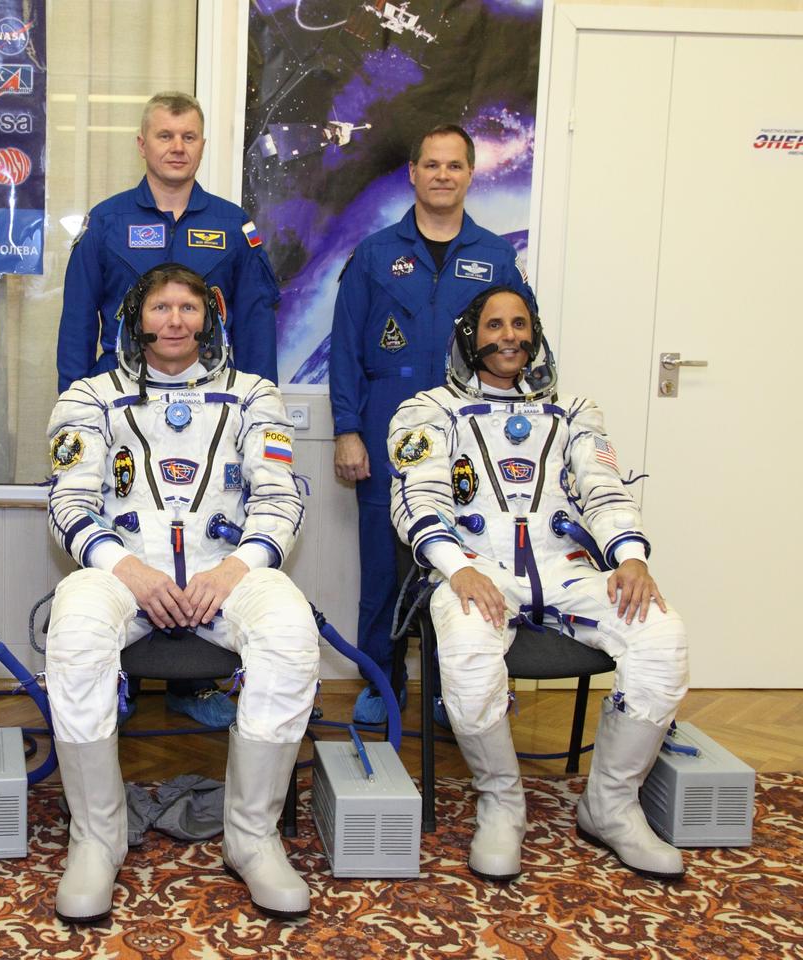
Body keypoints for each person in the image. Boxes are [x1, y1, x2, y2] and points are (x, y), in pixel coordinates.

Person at [44, 263, 318, 923]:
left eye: (188, 309)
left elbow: (280, 499)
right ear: (137, 319)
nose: (174, 322)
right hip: (123, 573)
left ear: (210, 318)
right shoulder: (88, 397)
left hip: (227, 572)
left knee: (290, 633)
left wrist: (236, 569)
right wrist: (126, 570)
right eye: (161, 308)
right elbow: (69, 502)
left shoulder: (254, 395)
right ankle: (97, 837)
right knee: (75, 633)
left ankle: (252, 837)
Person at [388, 285, 689, 882]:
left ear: (536, 334)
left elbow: (603, 491)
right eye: (494, 325)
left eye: (520, 324)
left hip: (564, 569)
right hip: (475, 568)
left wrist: (629, 556)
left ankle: (611, 805)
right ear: (469, 337)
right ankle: (502, 804)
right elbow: (416, 499)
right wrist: (458, 567)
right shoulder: (426, 410)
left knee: (663, 635)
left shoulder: (576, 412)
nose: (509, 336)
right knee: (470, 656)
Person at [57, 90, 282, 726]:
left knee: (201, 541)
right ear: (143, 144)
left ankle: (193, 683)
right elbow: (78, 325)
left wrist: (257, 412)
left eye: (188, 136)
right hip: (123, 416)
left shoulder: (235, 227)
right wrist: (73, 410)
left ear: (202, 146)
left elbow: (258, 322)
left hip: (213, 421)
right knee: (127, 544)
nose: (176, 147)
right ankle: (108, 681)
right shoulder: (105, 222)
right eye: (164, 136)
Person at [330, 123, 535, 726]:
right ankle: (381, 682)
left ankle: (457, 689)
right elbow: (345, 348)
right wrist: (347, 429)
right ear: (413, 174)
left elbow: (519, 344)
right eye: (432, 165)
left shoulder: (496, 256)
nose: (443, 175)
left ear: (470, 175)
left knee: (466, 559)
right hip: (385, 432)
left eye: (455, 166)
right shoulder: (373, 255)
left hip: (470, 440)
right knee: (384, 569)